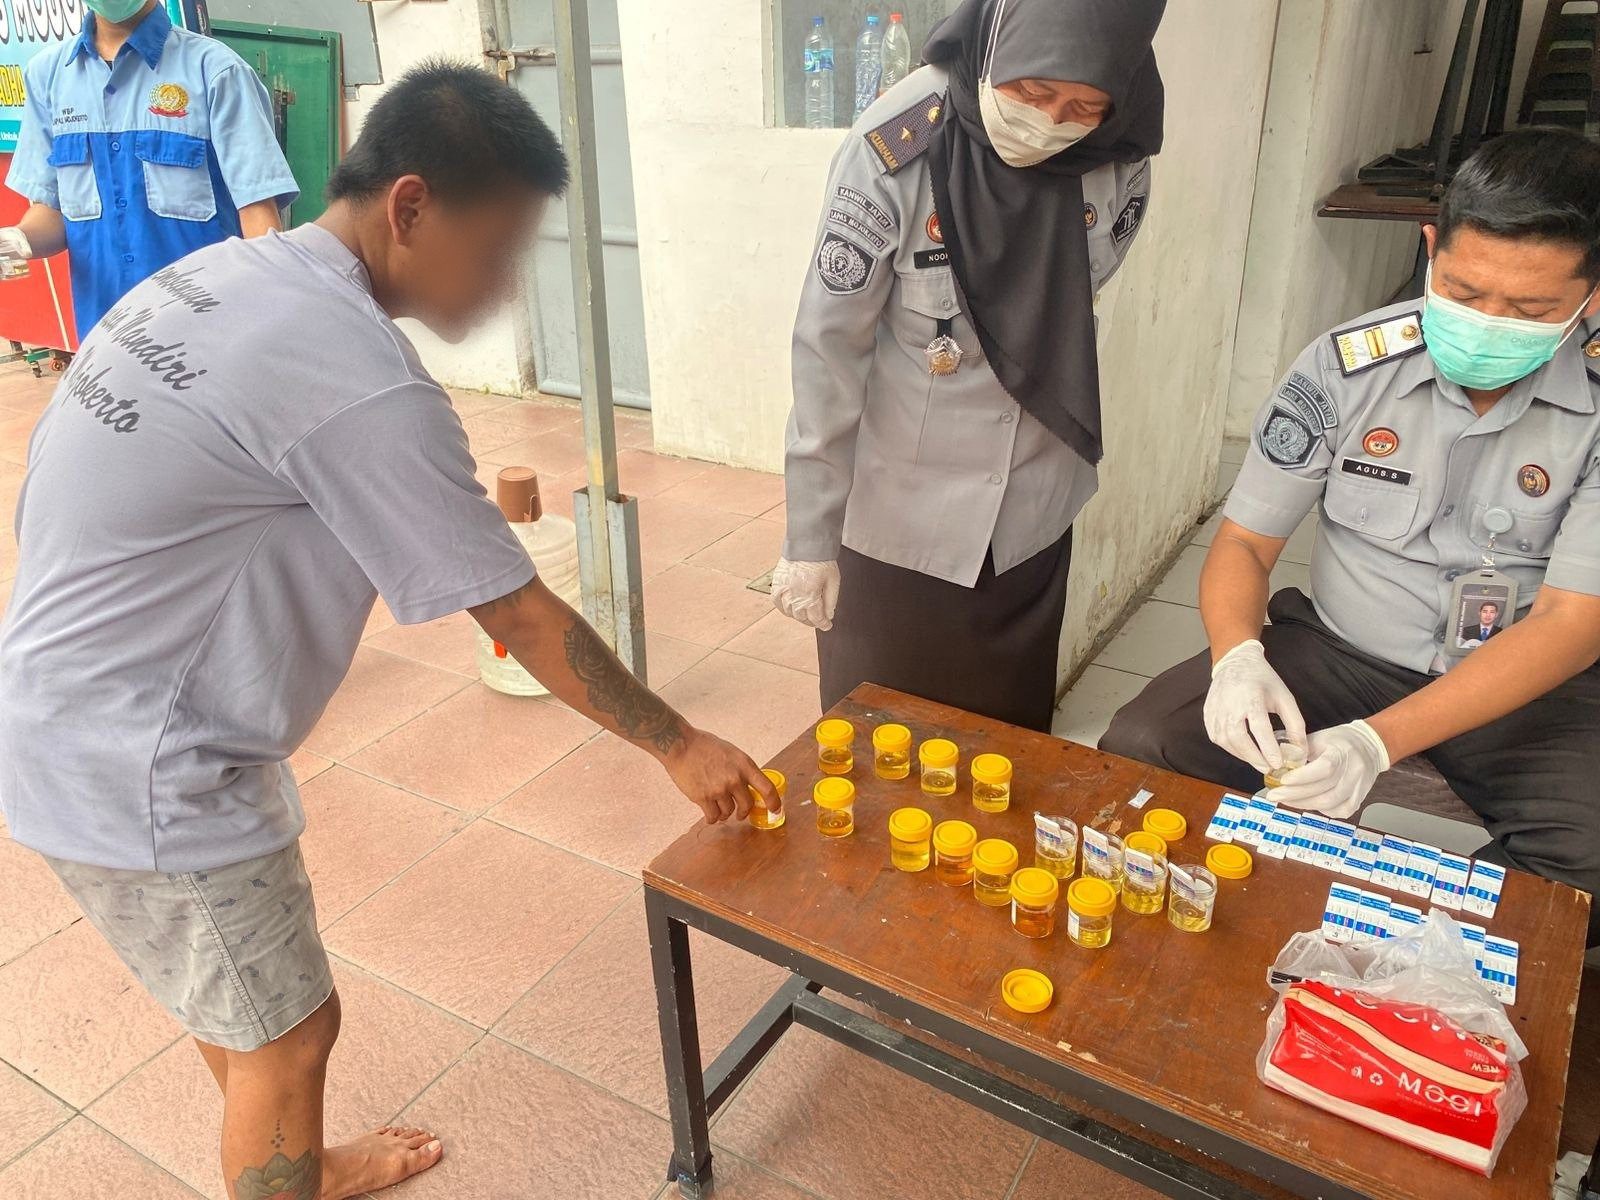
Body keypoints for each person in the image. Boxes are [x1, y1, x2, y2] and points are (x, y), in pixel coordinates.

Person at [0, 62, 779, 1200]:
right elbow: (513, 611)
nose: (504, 287)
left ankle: (301, 1165)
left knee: (242, 1000)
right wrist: (679, 742)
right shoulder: (359, 377)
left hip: (60, 714)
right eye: (497, 248)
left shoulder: (215, 278)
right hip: (148, 765)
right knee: (291, 1033)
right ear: (409, 206)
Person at [1100, 128, 1600, 945]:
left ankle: (1412, 950)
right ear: (1431, 247)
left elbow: (1570, 623)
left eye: (1531, 310)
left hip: (1519, 676)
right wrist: (1236, 658)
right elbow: (1245, 545)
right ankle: (1257, 921)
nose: (1488, 323)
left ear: (1591, 298)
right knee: (1146, 743)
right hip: (1342, 649)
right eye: (1464, 290)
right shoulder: (1347, 367)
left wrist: (1376, 743)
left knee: (1589, 867)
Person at [771, 0, 1166, 731]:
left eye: (1083, 107)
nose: (1050, 122)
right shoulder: (896, 147)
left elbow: (1083, 291)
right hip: (901, 525)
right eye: (1032, 92)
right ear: (996, 47)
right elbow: (829, 346)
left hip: (1030, 520)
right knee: (879, 747)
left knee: (1009, 749)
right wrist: (810, 538)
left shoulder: (1122, 152)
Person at [0, 0, 296, 339]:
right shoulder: (47, 76)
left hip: (209, 336)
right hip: (105, 340)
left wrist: (276, 317)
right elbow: (53, 211)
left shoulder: (217, 71)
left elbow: (258, 213)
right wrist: (15, 241)